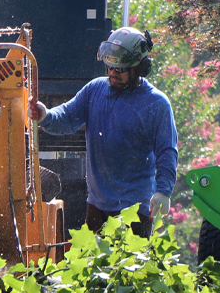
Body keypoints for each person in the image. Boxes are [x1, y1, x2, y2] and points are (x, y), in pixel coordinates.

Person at [28, 27, 177, 238]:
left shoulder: (156, 103)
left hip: (135, 209)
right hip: (97, 205)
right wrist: (45, 116)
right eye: (109, 68)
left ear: (139, 68)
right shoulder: (95, 89)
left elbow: (167, 151)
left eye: (119, 70)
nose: (112, 74)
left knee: (129, 268)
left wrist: (163, 191)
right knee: (93, 268)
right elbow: (67, 118)